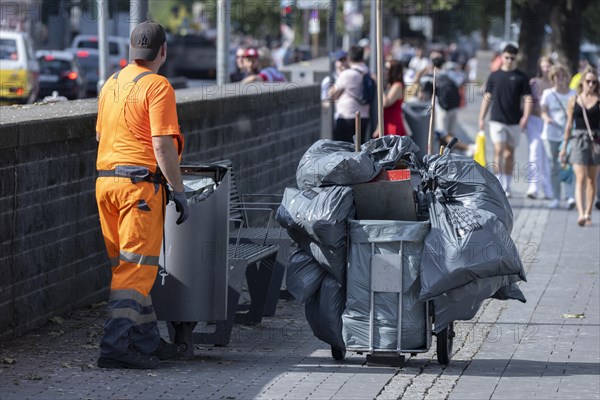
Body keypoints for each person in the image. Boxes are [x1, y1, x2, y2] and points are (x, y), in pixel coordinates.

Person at [95, 21, 188, 369]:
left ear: (131, 52)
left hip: (106, 184)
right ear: (162, 51)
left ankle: (146, 340)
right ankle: (114, 346)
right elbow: (162, 144)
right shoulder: (158, 86)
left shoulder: (111, 84)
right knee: (135, 271)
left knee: (132, 269)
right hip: (139, 190)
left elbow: (102, 134)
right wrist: (178, 191)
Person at [478, 44, 533, 197]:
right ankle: (498, 182)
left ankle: (507, 186)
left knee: (509, 154)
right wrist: (481, 118)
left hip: (514, 121)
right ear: (502, 57)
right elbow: (487, 97)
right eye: (506, 57)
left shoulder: (522, 77)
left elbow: (528, 98)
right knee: (498, 150)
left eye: (512, 58)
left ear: (516, 59)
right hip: (497, 120)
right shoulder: (494, 76)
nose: (509, 60)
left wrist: (525, 117)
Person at [559, 66, 600, 226]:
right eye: (588, 81)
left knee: (592, 180)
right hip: (578, 140)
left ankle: (588, 213)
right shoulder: (574, 100)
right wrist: (564, 147)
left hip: (595, 141)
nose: (591, 84)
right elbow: (569, 125)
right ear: (582, 82)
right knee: (580, 177)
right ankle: (581, 213)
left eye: (594, 82)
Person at [540, 64, 576, 209]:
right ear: (552, 79)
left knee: (567, 165)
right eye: (557, 77)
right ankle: (556, 197)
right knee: (554, 166)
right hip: (550, 135)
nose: (560, 79)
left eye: (563, 76)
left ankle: (569, 196)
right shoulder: (548, 94)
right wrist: (547, 117)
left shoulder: (573, 93)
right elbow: (543, 111)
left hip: (568, 134)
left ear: (567, 78)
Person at [328, 45, 371, 143]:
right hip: (364, 116)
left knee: (344, 148)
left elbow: (331, 93)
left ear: (349, 58)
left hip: (347, 116)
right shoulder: (367, 71)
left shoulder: (347, 74)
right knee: (359, 146)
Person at [525, 56, 554, 200]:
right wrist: (524, 117)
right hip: (534, 120)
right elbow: (527, 101)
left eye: (548, 66)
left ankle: (548, 189)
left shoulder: (555, 83)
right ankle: (533, 187)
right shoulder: (534, 82)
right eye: (543, 66)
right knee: (534, 152)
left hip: (549, 122)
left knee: (547, 156)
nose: (546, 69)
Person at [372, 60, 407, 137]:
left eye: (387, 69)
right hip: (387, 121)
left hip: (393, 123)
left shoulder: (398, 85)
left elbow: (385, 103)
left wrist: (379, 84)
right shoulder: (390, 85)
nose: (384, 71)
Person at [321, 50, 349, 123]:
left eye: (345, 60)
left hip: (351, 117)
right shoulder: (328, 80)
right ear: (335, 62)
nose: (343, 63)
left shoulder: (352, 77)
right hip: (337, 118)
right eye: (340, 60)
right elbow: (324, 103)